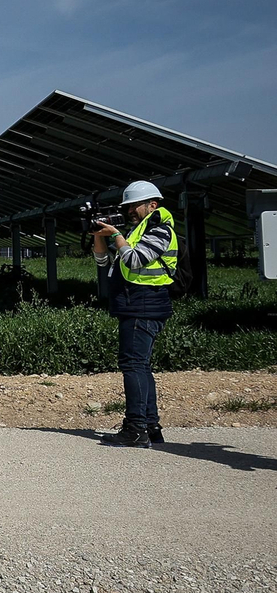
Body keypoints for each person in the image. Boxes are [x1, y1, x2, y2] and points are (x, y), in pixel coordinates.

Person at [93, 180, 178, 448]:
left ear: (153, 205)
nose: (130, 210)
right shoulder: (138, 230)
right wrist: (99, 236)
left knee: (133, 365)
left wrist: (117, 236)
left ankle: (136, 428)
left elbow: (134, 260)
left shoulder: (160, 230)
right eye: (127, 206)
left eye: (134, 206)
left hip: (145, 305)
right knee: (140, 365)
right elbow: (103, 262)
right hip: (135, 304)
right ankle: (150, 426)